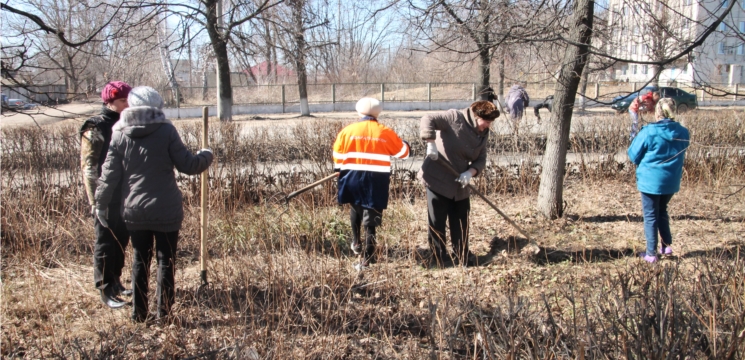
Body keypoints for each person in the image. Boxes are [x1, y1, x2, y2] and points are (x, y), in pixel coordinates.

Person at [95, 86, 214, 322]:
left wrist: (100, 203)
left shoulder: (119, 133)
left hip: (134, 210)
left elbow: (108, 175)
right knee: (166, 262)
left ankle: (138, 314)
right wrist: (206, 154)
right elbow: (189, 165)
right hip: (166, 209)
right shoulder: (166, 131)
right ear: (157, 106)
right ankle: (164, 314)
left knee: (139, 260)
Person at [333, 97, 410, 271]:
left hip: (351, 177)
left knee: (355, 207)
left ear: (358, 111)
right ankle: (367, 259)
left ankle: (356, 242)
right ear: (378, 112)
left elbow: (337, 156)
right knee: (371, 218)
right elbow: (404, 153)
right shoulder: (385, 132)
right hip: (375, 181)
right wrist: (405, 144)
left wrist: (339, 169)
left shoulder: (347, 131)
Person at [419, 100, 500, 267]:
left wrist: (470, 172)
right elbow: (428, 118)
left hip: (460, 181)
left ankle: (462, 254)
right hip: (438, 178)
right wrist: (431, 143)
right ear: (476, 116)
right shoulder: (454, 117)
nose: (488, 126)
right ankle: (439, 257)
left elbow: (481, 158)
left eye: (491, 123)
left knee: (461, 219)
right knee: (437, 220)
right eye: (487, 122)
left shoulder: (482, 132)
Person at [81, 80, 133, 309]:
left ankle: (116, 281)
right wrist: (95, 201)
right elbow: (89, 167)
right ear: (110, 101)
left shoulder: (126, 122)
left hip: (124, 194)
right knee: (105, 242)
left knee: (121, 239)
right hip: (104, 196)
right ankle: (105, 290)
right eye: (123, 100)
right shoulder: (95, 127)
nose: (127, 104)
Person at [627, 98, 689, 263]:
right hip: (671, 181)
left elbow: (633, 155)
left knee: (650, 215)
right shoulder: (683, 132)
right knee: (662, 211)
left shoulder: (649, 132)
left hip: (650, 182)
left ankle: (651, 254)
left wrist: (635, 134)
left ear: (657, 112)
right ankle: (666, 246)